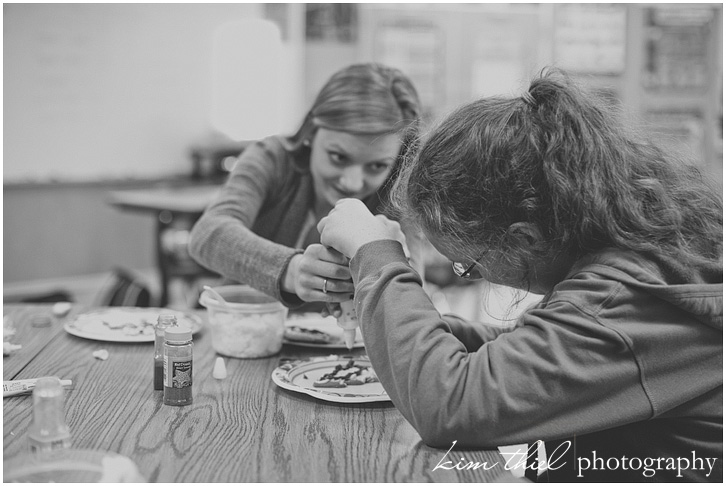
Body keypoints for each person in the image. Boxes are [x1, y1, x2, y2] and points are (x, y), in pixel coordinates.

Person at [317, 68, 722, 482]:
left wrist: (376, 253)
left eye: (468, 265)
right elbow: (539, 351)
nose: (469, 275)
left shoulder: (622, 297)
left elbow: (451, 407)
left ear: (524, 240)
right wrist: (397, 323)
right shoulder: (639, 244)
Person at [189, 63, 422, 312]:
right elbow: (208, 233)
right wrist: (291, 270)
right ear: (311, 131)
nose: (352, 183)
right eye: (338, 157)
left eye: (376, 166)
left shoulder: (397, 191)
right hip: (246, 330)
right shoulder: (273, 160)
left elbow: (411, 299)